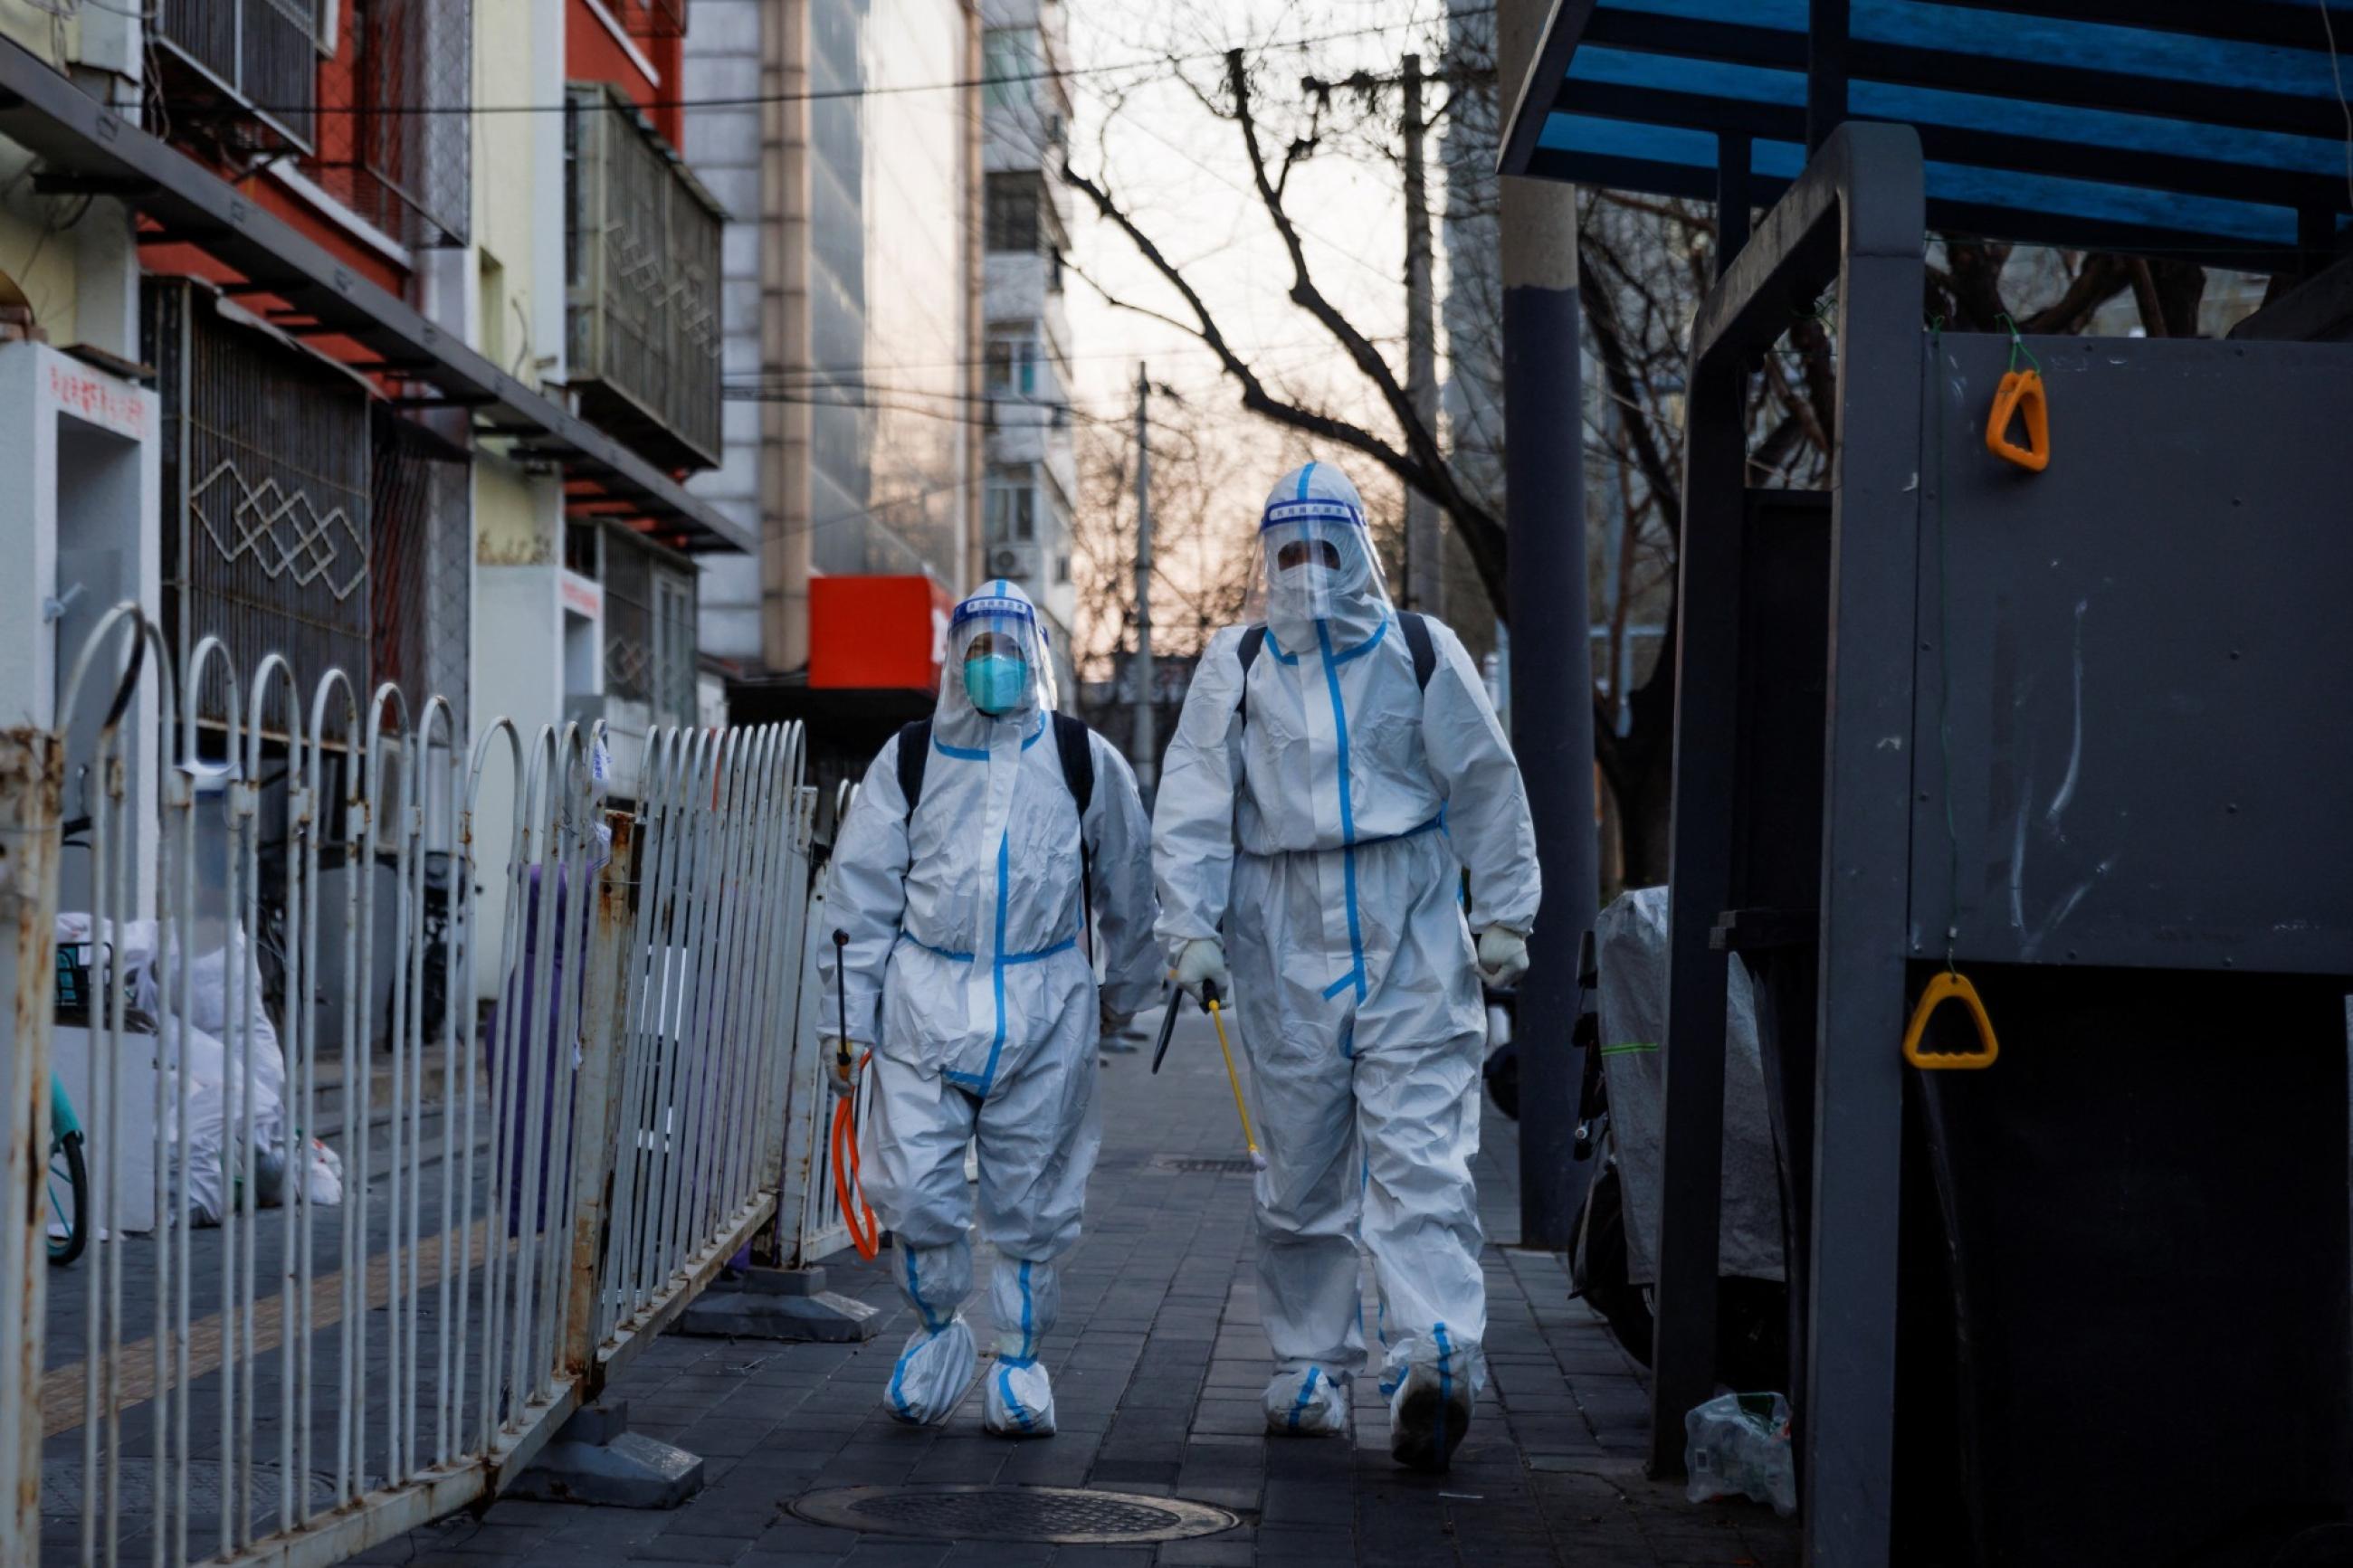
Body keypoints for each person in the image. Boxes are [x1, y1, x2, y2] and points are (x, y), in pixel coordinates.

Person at [1152, 461, 1538, 1471]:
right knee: (1299, 1166)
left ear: (1358, 551)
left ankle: (1434, 1353)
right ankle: (1309, 1361)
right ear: (1265, 557)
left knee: (1420, 1154)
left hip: (1408, 918)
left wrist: (1502, 909)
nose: (1307, 568)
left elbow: (1485, 776)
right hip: (1281, 930)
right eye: (1289, 549)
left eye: (1325, 546)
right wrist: (1185, 926)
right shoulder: (1234, 664)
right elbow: (1192, 797)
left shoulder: (1416, 648)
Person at [822, 580, 1159, 1438]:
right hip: (924, 1007)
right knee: (912, 1186)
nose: (994, 664)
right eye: (978, 648)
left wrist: (1122, 997)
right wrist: (847, 1025)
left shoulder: (1082, 759)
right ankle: (937, 1334)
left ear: (1036, 658)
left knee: (1034, 1199)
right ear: (953, 659)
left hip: (1046, 1006)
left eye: (1011, 648)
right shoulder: (910, 759)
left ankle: (1018, 1359)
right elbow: (858, 903)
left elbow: (1130, 885)